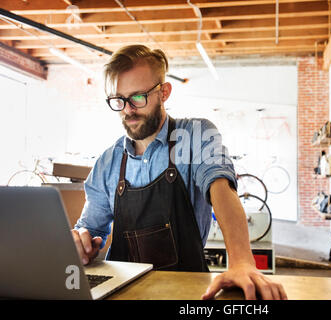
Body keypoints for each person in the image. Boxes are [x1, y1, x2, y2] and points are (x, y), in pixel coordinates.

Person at [71, 44, 287, 300]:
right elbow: (90, 228)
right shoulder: (107, 162)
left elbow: (220, 187)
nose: (128, 110)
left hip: (189, 292)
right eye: (119, 100)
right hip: (121, 293)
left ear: (164, 92)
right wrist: (79, 242)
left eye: (138, 98)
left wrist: (241, 261)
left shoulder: (195, 136)